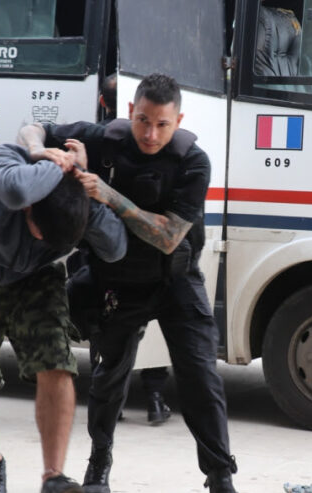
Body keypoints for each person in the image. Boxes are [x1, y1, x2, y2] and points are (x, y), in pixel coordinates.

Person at [17, 73, 260, 493]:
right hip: (119, 284)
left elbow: (168, 237)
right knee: (111, 373)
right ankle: (99, 462)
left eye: (162, 124)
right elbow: (33, 127)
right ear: (130, 111)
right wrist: (40, 150)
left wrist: (106, 194)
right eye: (143, 121)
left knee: (201, 377)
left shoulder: (193, 162)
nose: (150, 134)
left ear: (178, 121)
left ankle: (223, 489)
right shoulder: (104, 139)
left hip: (176, 280)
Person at [0, 142, 126, 493]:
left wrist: (93, 193)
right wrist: (58, 163)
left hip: (33, 279)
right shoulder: (0, 170)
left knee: (56, 361)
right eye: (40, 231)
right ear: (28, 207)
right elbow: (19, 178)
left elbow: (116, 248)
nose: (43, 241)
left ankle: (53, 478)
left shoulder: (75, 206)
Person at [97, 72, 173, 425]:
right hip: (148, 262)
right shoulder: (163, 151)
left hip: (112, 259)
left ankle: (116, 401)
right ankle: (155, 397)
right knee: (148, 324)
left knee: (110, 326)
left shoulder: (104, 144)